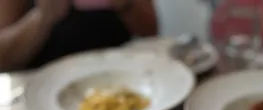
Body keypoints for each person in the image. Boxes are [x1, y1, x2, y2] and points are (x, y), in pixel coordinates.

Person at [0, 0, 157, 71]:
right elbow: (4, 58)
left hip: (120, 83)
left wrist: (125, 4)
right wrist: (42, 19)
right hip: (44, 90)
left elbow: (151, 31)